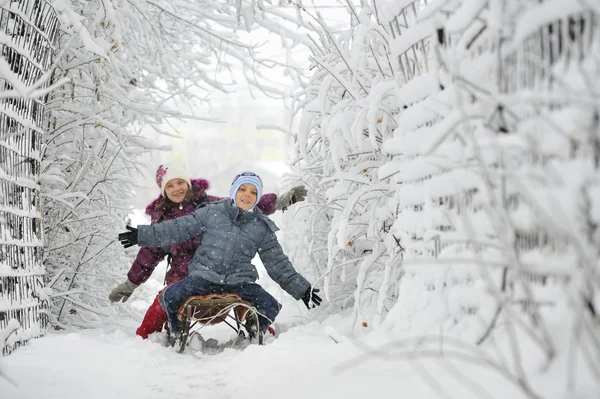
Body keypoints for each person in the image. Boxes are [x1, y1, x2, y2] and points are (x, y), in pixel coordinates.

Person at [117, 171, 322, 344]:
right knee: (169, 296)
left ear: (257, 197)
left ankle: (255, 330)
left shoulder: (261, 227)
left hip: (239, 282)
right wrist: (141, 235)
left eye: (253, 192)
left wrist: (302, 289)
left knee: (269, 304)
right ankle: (176, 328)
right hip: (202, 278)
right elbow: (177, 228)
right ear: (233, 192)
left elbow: (278, 263)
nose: (247, 195)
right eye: (242, 190)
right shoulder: (212, 212)